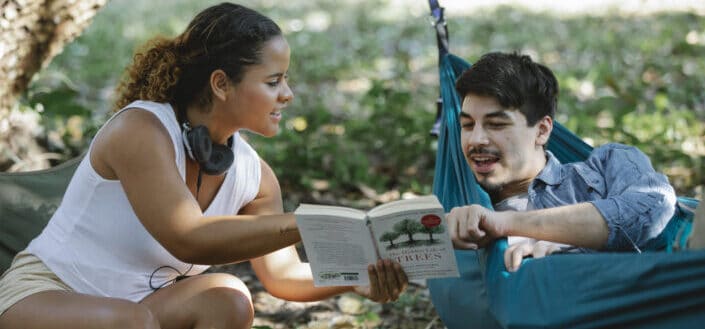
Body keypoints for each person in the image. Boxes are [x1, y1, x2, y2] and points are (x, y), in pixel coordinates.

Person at [0, 3, 408, 329]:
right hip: (48, 295)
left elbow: (282, 276)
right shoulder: (141, 130)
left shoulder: (255, 177)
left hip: (140, 310)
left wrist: (355, 279)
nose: (288, 94)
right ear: (221, 83)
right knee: (130, 323)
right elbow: (189, 237)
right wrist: (311, 223)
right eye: (273, 81)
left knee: (228, 298)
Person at [446, 51, 677, 272]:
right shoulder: (458, 204)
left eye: (496, 124)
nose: (475, 140)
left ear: (542, 130)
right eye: (467, 125)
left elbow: (652, 206)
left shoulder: (609, 165)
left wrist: (504, 223)